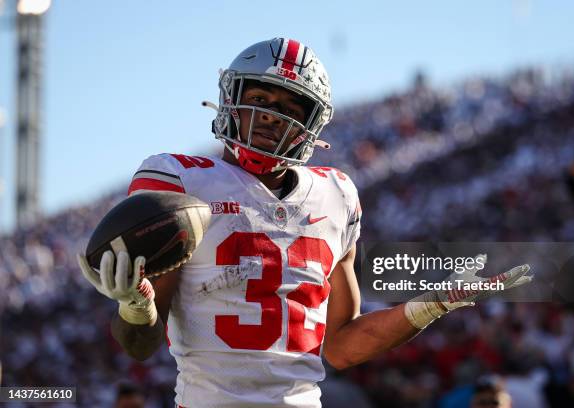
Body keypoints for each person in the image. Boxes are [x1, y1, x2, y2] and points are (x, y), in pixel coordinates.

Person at [77, 38, 532, 407]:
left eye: (291, 108)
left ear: (312, 124)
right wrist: (136, 308)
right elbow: (140, 344)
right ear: (231, 100)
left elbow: (342, 345)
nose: (272, 116)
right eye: (260, 98)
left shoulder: (337, 195)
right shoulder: (180, 179)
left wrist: (430, 305)